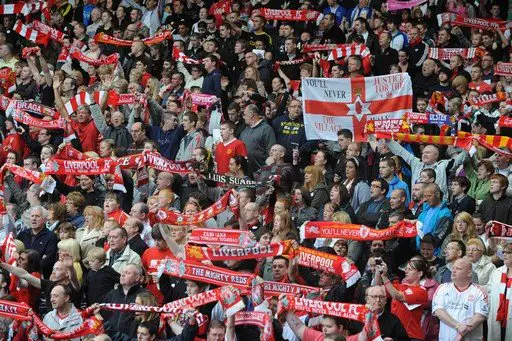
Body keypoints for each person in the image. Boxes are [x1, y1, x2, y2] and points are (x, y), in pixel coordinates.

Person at [433, 258, 488, 341]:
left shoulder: (479, 291)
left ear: (469, 273)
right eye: (453, 268)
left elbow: (480, 316)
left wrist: (461, 333)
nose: (454, 271)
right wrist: (457, 325)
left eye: (458, 269)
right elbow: (438, 311)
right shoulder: (442, 288)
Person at [375, 257, 429, 341]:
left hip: (412, 336)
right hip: (395, 334)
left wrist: (385, 277)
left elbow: (397, 296)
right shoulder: (400, 286)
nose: (406, 271)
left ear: (420, 273)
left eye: (410, 269)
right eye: (406, 269)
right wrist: (378, 271)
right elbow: (378, 288)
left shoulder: (421, 291)